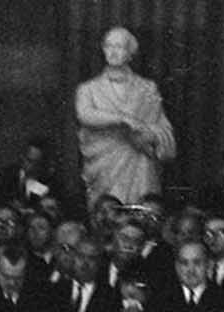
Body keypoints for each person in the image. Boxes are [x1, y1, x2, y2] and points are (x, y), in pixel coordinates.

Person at [75, 26, 176, 207]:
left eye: (119, 46)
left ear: (130, 53)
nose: (113, 52)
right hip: (104, 166)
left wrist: (151, 136)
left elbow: (163, 128)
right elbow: (84, 114)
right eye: (108, 46)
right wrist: (122, 119)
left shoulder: (147, 88)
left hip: (140, 164)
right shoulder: (88, 89)